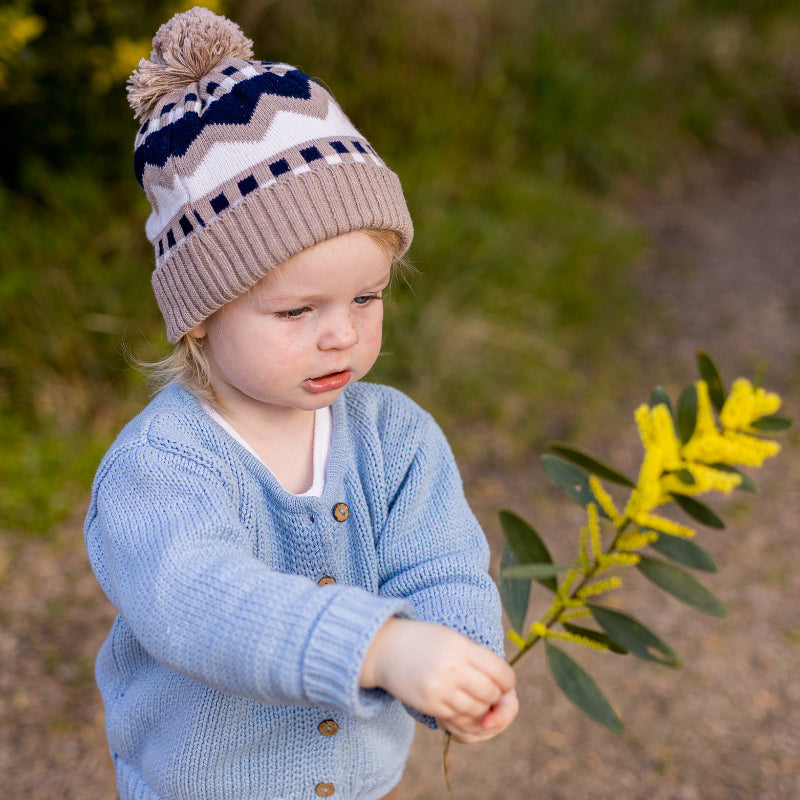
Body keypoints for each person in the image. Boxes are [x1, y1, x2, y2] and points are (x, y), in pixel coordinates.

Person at [84, 7, 518, 800]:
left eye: (367, 297)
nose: (341, 336)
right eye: (297, 311)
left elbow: (441, 563)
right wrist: (380, 650)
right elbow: (200, 598)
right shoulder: (159, 467)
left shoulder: (395, 436)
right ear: (201, 316)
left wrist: (458, 658)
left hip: (358, 782)